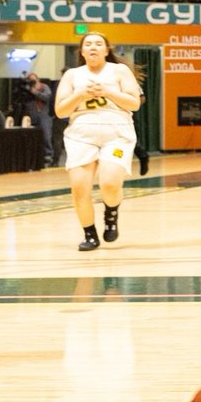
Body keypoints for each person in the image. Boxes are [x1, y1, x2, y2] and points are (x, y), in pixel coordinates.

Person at [53, 33, 142, 251]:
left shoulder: (119, 71)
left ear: (106, 50)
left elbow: (134, 104)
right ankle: (90, 234)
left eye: (98, 44)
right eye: (88, 44)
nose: (93, 47)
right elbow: (60, 110)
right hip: (81, 135)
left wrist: (107, 91)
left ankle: (111, 213)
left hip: (116, 134)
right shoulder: (73, 75)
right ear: (82, 51)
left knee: (110, 183)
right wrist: (79, 95)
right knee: (79, 188)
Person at [24, 72, 54, 165]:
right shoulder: (27, 89)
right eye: (30, 79)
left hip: (44, 115)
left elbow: (47, 97)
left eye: (33, 79)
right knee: (33, 136)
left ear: (38, 79)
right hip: (32, 115)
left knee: (46, 136)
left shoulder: (44, 87)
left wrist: (35, 92)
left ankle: (48, 156)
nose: (32, 81)